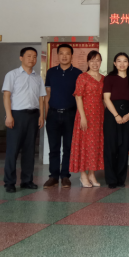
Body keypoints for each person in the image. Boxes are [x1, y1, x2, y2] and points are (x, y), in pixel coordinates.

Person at [2, 47, 46, 193]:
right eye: (29, 56)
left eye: (34, 56)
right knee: (13, 150)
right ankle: (9, 182)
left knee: (29, 150)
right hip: (17, 115)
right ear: (21, 58)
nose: (32, 59)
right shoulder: (12, 75)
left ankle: (27, 180)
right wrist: (9, 115)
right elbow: (6, 96)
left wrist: (41, 116)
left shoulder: (37, 78)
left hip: (33, 116)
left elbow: (41, 98)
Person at [43, 44, 82, 189]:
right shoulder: (51, 72)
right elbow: (48, 94)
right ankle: (53, 176)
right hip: (53, 114)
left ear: (72, 56)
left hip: (71, 114)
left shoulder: (78, 73)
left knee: (68, 147)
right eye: (61, 53)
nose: (64, 56)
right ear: (58, 55)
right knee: (54, 147)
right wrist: (45, 114)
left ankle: (65, 176)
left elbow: (80, 97)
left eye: (67, 53)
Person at [69, 51, 105, 188]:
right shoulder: (82, 77)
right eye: (92, 60)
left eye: (97, 60)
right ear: (88, 62)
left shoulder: (103, 78)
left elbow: (104, 99)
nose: (95, 63)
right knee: (84, 144)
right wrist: (83, 117)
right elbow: (78, 97)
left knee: (95, 144)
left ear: (101, 62)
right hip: (85, 114)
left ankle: (92, 174)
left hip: (99, 115)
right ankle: (83, 175)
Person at [103, 53, 129, 189]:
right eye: (119, 61)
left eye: (125, 61)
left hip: (128, 114)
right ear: (114, 63)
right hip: (112, 114)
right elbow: (106, 98)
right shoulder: (109, 78)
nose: (122, 64)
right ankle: (111, 179)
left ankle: (121, 178)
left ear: (128, 63)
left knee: (124, 147)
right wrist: (116, 115)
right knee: (110, 147)